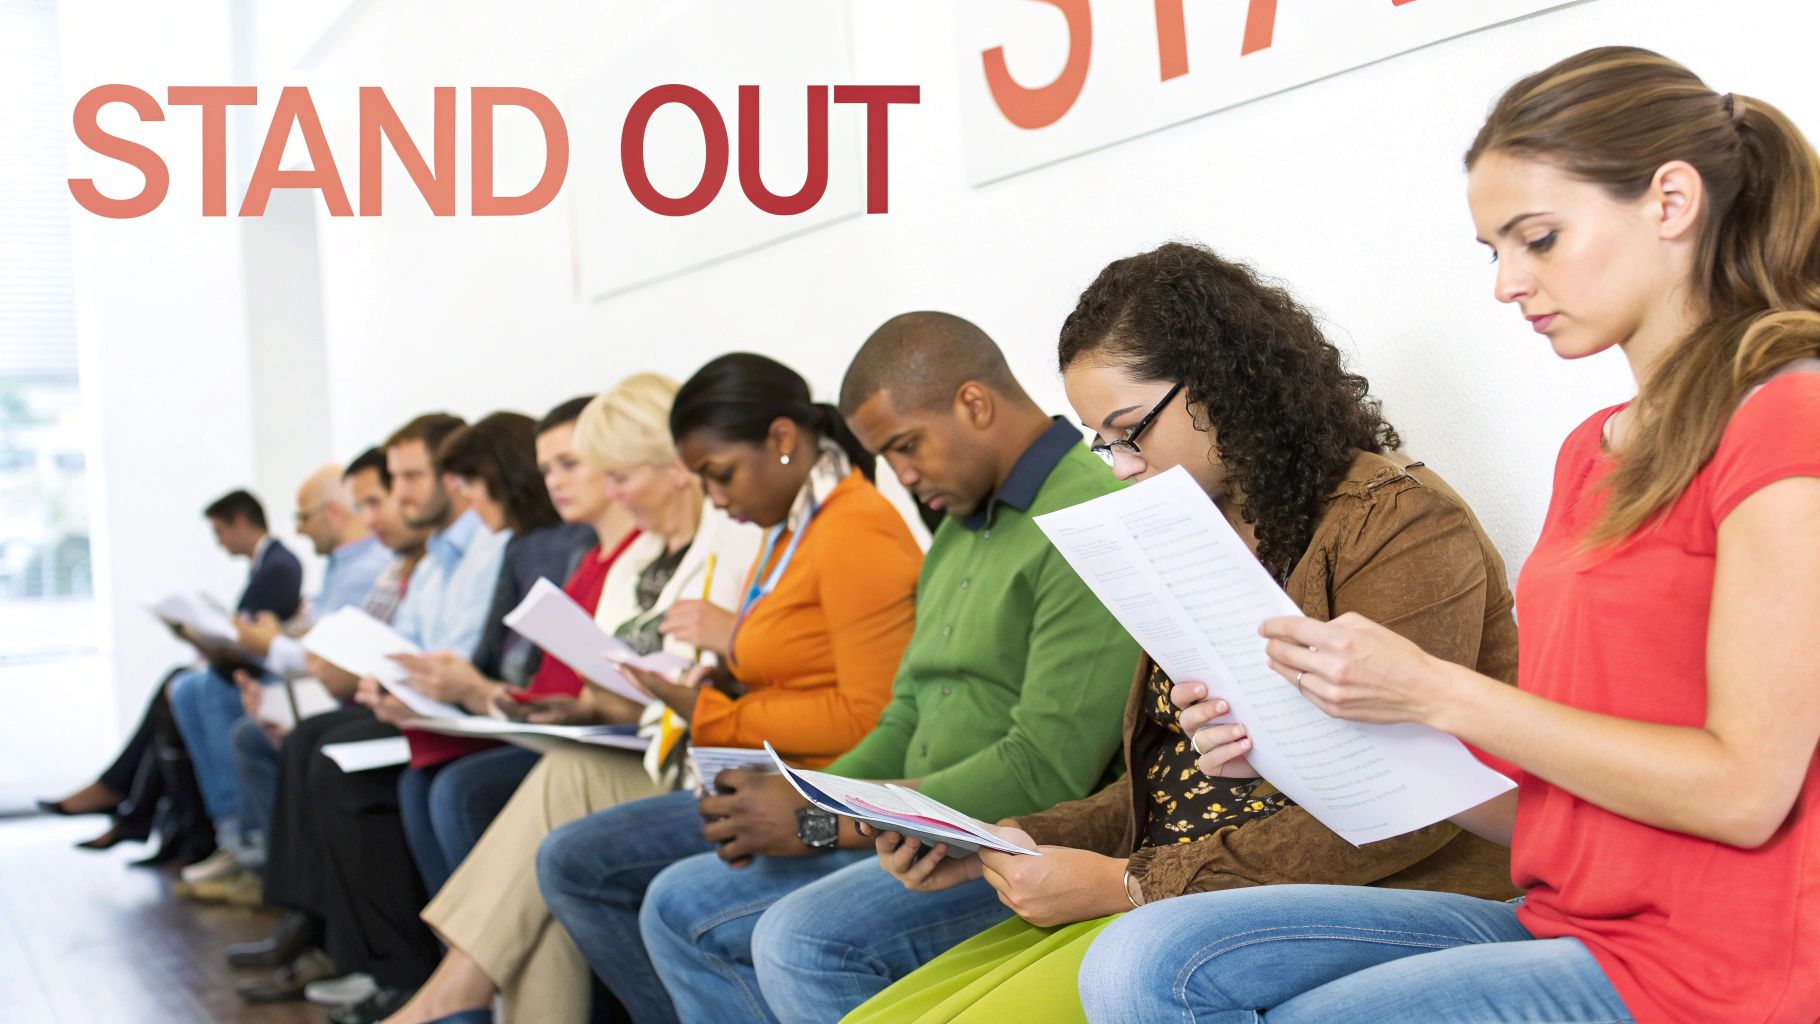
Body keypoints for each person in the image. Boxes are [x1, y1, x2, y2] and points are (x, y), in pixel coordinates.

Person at [1081, 48, 1820, 1024]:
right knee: (1146, 962)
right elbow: (1541, 814)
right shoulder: (1588, 453)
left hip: (1710, 964)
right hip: (1566, 915)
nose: (1508, 282)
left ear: (1669, 201)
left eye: (1538, 238)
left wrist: (1434, 689)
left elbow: (1742, 792)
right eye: (1492, 250)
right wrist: (1299, 739)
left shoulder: (1783, 415)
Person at [847, 242, 1520, 1024]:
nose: (1119, 464)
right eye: (1101, 440)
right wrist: (1002, 836)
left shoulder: (1397, 523)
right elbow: (1164, 787)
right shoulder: (1186, 531)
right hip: (1196, 873)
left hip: (1380, 885)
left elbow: (1409, 813)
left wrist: (1129, 885)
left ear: (1224, 388)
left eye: (1130, 430)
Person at [590, 312, 1142, 1024]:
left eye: (907, 447)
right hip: (919, 827)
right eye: (888, 456)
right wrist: (816, 793)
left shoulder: (1088, 514)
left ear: (974, 403)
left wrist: (826, 819)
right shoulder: (959, 523)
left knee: (802, 942)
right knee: (678, 901)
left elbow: (1046, 768)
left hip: (1016, 840)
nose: (902, 476)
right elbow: (905, 709)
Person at [535, 352, 924, 1024]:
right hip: (785, 773)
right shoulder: (791, 529)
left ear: (781, 440)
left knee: (657, 895)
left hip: (828, 786)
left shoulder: (854, 526)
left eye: (720, 476)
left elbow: (873, 716)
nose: (716, 499)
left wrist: (716, 712)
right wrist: (726, 680)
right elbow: (798, 669)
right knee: (572, 857)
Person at [379, 374, 760, 1024]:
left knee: (554, 792)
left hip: (697, 763)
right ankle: (458, 993)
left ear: (674, 468)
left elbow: (731, 685)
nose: (611, 495)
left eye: (621, 477)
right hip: (641, 753)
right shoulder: (636, 557)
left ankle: (453, 991)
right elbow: (615, 687)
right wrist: (586, 707)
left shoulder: (735, 541)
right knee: (548, 837)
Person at [169, 462, 394, 901]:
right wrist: (279, 638)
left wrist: (270, 643)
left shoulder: (362, 566)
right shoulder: (343, 567)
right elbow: (321, 640)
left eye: (303, 516)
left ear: (331, 513)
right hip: (320, 681)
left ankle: (274, 871)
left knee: (238, 716)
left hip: (334, 689)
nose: (298, 527)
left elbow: (332, 658)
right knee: (201, 696)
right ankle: (262, 861)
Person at [42, 488, 303, 862]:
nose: (219, 543)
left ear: (241, 522)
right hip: (252, 669)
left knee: (191, 691)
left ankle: (174, 819)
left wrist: (203, 634)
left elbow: (252, 641)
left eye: (220, 532)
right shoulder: (269, 565)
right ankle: (157, 818)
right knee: (179, 689)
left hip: (259, 676)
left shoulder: (279, 566)